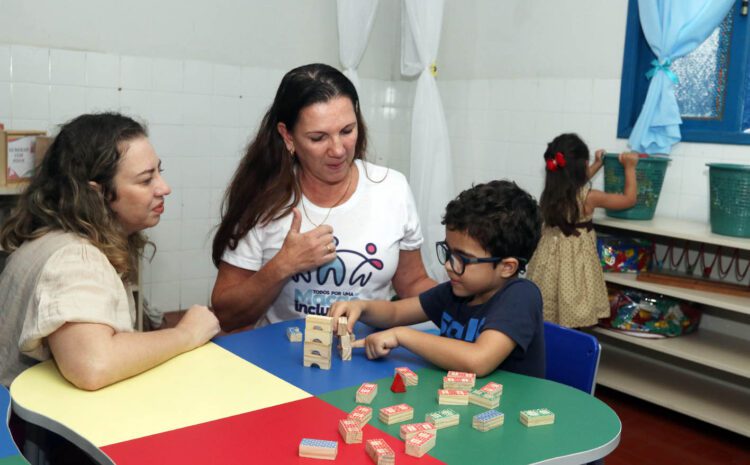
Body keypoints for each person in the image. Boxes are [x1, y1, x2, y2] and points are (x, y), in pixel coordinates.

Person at [0, 113, 220, 391]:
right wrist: (185, 334)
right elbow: (93, 365)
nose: (164, 188)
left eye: (159, 173)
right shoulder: (75, 258)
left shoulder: (49, 237)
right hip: (28, 429)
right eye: (145, 180)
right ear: (97, 193)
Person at [211, 63, 436, 331]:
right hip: (282, 356)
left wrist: (469, 299)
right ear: (288, 136)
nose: (338, 150)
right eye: (318, 138)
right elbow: (226, 313)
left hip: (368, 354)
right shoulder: (264, 198)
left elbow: (412, 284)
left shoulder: (392, 188)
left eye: (347, 131)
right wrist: (283, 265)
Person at [330, 180, 545, 378]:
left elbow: (478, 361)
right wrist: (361, 307)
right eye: (449, 252)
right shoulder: (456, 291)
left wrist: (401, 336)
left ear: (507, 267)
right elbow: (395, 313)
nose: (449, 265)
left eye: (463, 259)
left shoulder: (521, 296)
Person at [525, 133, 639, 328]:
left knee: (549, 303)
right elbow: (629, 200)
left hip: (548, 259)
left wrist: (597, 163)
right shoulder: (589, 197)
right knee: (572, 297)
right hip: (574, 261)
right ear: (582, 166)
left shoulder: (551, 192)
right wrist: (630, 167)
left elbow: (574, 181)